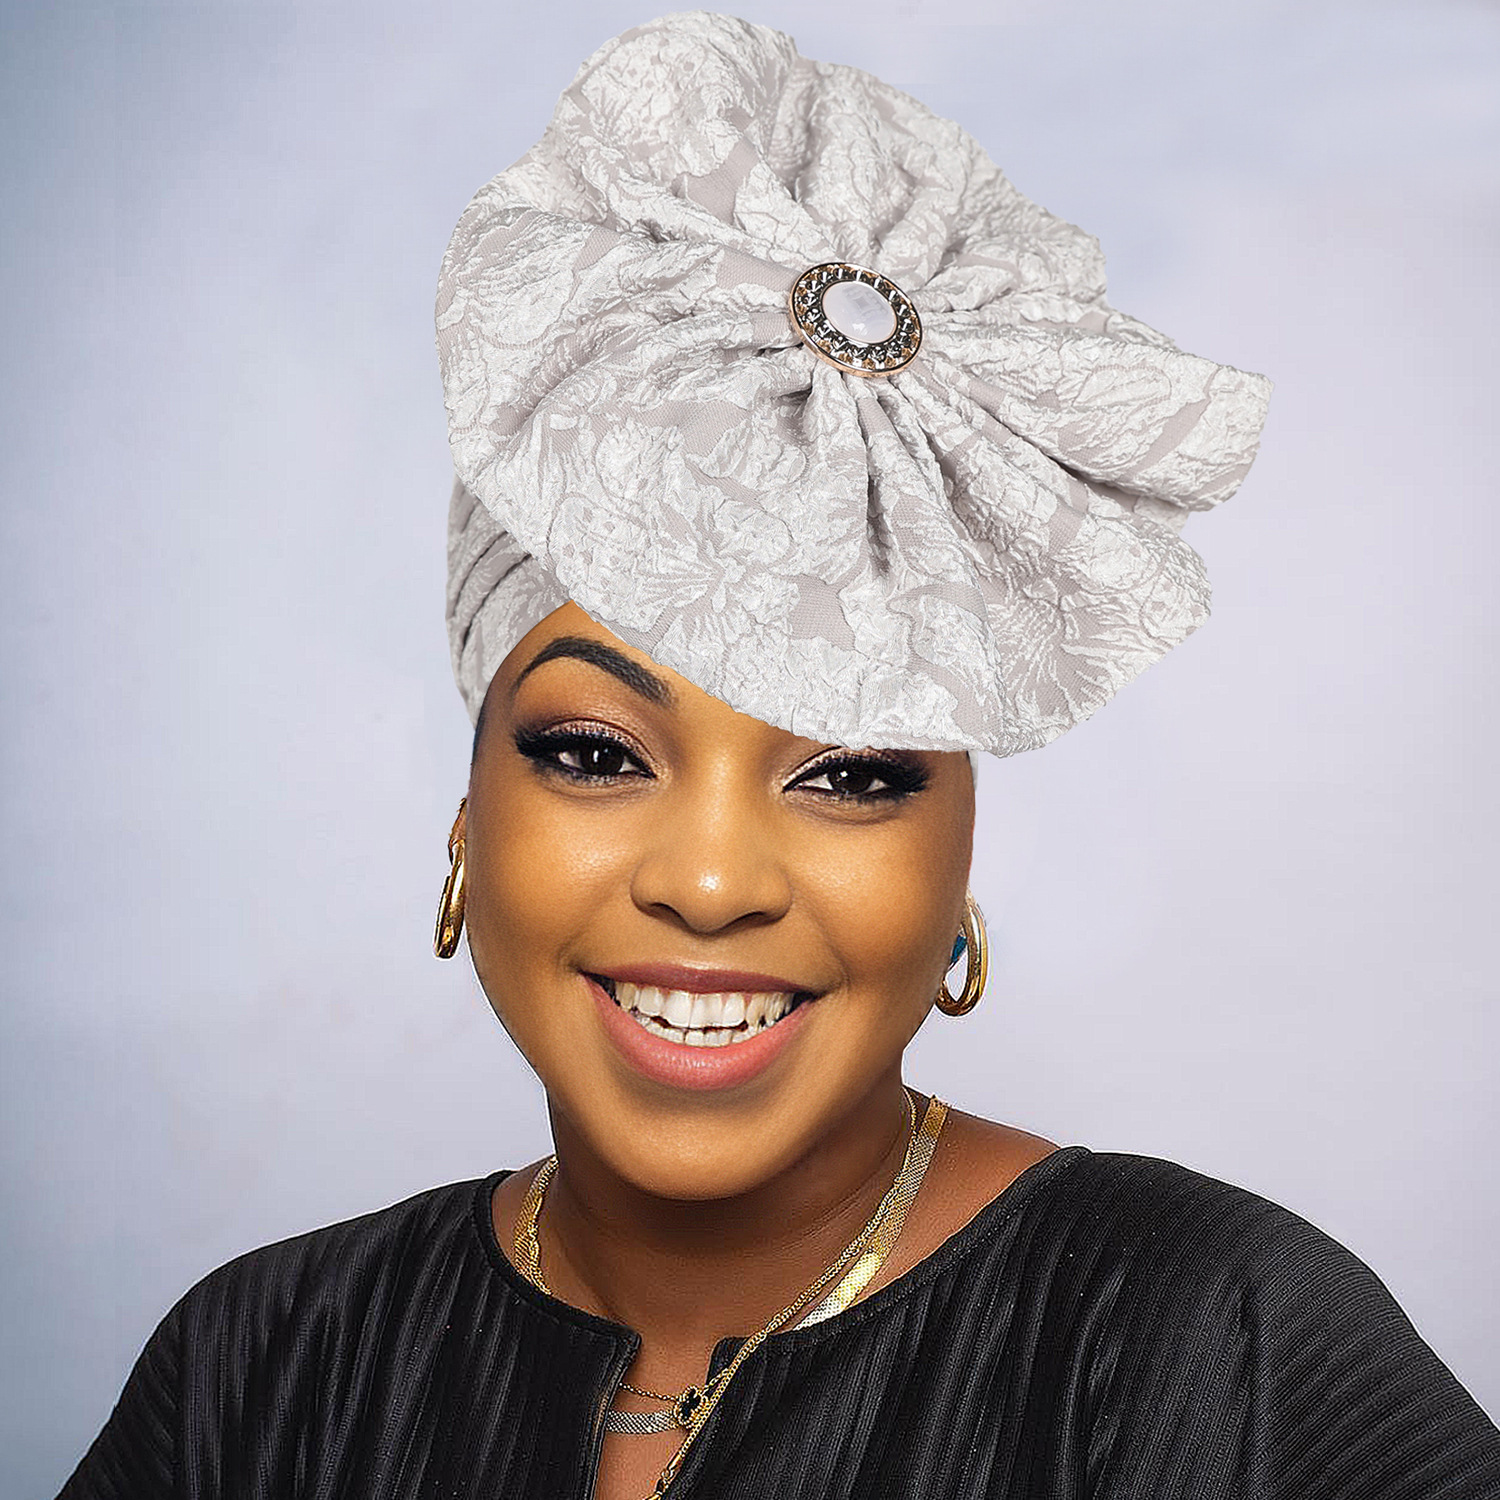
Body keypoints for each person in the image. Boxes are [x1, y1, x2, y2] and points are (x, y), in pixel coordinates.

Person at [61, 12, 1500, 1499]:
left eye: (854, 772)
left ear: (958, 863)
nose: (709, 881)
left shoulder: (1212, 1347)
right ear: (465, 828)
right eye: (595, 753)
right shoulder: (263, 1367)